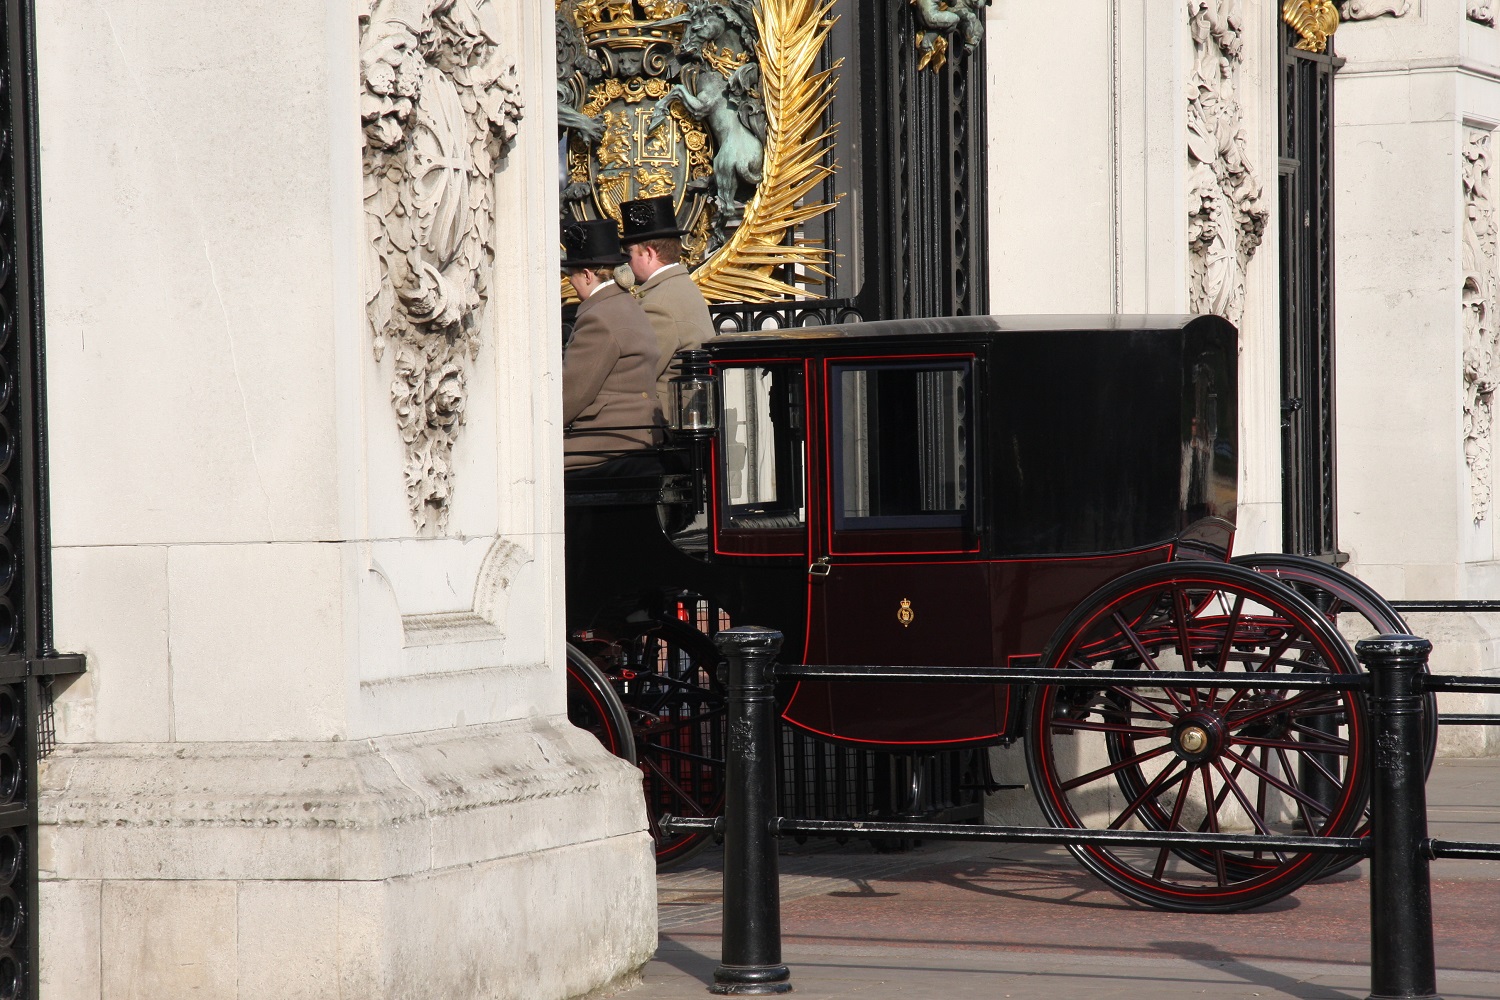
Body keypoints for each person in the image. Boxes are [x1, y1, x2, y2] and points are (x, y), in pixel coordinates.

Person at [560, 218, 663, 474]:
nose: (569, 283)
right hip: (636, 435)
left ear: (586, 274)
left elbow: (571, 396)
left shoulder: (599, 317)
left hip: (605, 440)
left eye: (570, 275)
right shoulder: (628, 305)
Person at [618, 196, 715, 412]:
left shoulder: (660, 303)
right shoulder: (679, 286)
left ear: (649, 253)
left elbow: (635, 375)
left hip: (661, 427)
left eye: (630, 254)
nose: (627, 263)